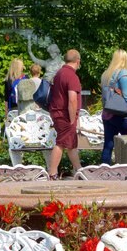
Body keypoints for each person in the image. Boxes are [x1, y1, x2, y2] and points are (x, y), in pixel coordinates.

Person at [47, 49, 83, 179]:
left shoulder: (60, 73)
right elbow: (72, 99)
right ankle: (52, 173)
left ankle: (79, 171)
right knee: (61, 143)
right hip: (65, 115)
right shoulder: (71, 76)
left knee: (71, 144)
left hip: (58, 112)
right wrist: (73, 119)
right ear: (78, 61)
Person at [99, 49, 127, 165]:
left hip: (108, 114)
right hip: (122, 115)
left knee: (108, 145)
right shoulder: (123, 73)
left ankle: (103, 170)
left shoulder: (106, 74)